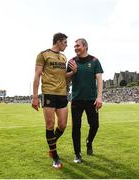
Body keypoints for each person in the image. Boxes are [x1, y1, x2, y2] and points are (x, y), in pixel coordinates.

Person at [32, 33, 68, 169]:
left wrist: (74, 72)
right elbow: (36, 75)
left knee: (63, 125)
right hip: (48, 93)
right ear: (58, 42)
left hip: (62, 94)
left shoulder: (64, 57)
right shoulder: (43, 54)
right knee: (50, 124)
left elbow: (64, 76)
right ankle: (55, 156)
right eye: (65, 42)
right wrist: (35, 96)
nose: (66, 45)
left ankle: (51, 144)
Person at [67, 38, 104, 163]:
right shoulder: (71, 62)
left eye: (78, 45)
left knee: (95, 125)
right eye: (75, 46)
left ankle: (89, 141)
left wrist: (99, 97)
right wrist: (73, 72)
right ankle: (77, 154)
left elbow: (99, 80)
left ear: (85, 46)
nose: (75, 48)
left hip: (91, 100)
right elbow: (66, 81)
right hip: (76, 100)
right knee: (75, 127)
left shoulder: (94, 61)